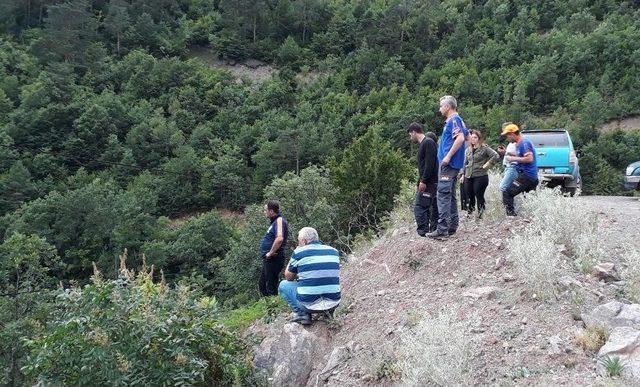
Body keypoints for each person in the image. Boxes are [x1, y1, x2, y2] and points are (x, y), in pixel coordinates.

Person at [278, 227, 341, 325]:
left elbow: (288, 277)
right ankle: (328, 313)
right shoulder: (334, 251)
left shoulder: (299, 252)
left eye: (299, 241)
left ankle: (303, 314)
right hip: (334, 302)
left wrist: (294, 255)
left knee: (283, 285)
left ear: (304, 241)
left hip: (309, 305)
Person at [428, 95, 469, 239]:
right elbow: (468, 138)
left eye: (441, 106)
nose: (439, 109)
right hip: (452, 165)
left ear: (447, 107)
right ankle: (452, 226)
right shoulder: (458, 121)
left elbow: (461, 139)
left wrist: (448, 157)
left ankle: (442, 229)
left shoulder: (454, 120)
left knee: (443, 194)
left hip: (448, 165)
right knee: (450, 194)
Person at [460, 130, 500, 219]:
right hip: (468, 175)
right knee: (469, 194)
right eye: (472, 137)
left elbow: (496, 156)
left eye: (475, 137)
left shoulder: (484, 148)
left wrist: (488, 164)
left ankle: (480, 214)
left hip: (480, 176)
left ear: (479, 139)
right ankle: (470, 213)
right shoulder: (468, 150)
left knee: (478, 194)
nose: (473, 139)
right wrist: (462, 174)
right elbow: (464, 163)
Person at [501, 124, 539, 216]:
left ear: (512, 134)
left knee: (507, 192)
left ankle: (511, 217)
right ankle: (531, 218)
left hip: (527, 176)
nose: (507, 138)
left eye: (507, 135)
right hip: (529, 176)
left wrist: (513, 159)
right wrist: (509, 153)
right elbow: (521, 155)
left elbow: (530, 158)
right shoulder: (519, 144)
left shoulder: (524, 143)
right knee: (529, 199)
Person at [408, 123, 438, 236]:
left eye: (410, 135)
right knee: (429, 206)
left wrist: (423, 181)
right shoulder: (424, 144)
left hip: (429, 182)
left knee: (420, 207)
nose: (410, 138)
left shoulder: (428, 142)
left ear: (414, 132)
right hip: (426, 181)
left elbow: (430, 164)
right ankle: (430, 231)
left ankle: (424, 232)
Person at [259, 200, 289, 297]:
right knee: (263, 285)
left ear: (271, 211)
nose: (264, 212)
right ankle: (269, 308)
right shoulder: (275, 222)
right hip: (270, 259)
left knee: (270, 286)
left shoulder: (279, 220)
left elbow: (279, 238)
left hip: (274, 258)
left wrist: (270, 253)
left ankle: (273, 309)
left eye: (265, 210)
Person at [497, 122, 519, 192]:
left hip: (512, 167)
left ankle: (509, 203)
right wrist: (505, 152)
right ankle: (509, 202)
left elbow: (520, 154)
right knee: (510, 188)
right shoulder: (511, 142)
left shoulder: (519, 142)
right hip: (508, 167)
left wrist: (506, 153)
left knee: (503, 187)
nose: (505, 136)